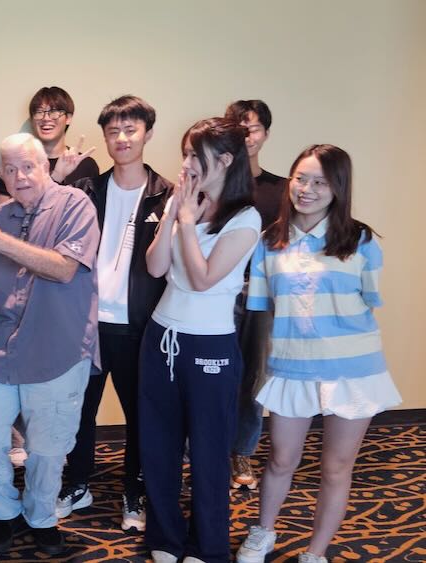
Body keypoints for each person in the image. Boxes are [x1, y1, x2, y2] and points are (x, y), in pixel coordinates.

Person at [235, 145, 401, 563]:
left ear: (338, 187)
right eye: (301, 179)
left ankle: (315, 552)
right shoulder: (269, 242)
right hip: (291, 367)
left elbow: (369, 301)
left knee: (336, 467)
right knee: (280, 459)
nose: (306, 189)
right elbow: (263, 308)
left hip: (352, 371)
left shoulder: (361, 240)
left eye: (320, 182)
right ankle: (263, 533)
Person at [0, 133, 100, 556]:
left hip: (58, 348)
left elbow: (64, 268)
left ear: (45, 167)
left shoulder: (75, 205)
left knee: (47, 451)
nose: (19, 176)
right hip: (1, 348)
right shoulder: (0, 216)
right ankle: (4, 513)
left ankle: (41, 517)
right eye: (10, 169)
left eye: (27, 166)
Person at [140, 118, 261, 563]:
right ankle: (164, 538)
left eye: (195, 155)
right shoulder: (186, 203)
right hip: (161, 337)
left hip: (209, 346)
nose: (186, 163)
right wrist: (173, 213)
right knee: (159, 446)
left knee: (209, 452)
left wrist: (188, 223)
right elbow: (156, 268)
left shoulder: (246, 218)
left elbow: (203, 278)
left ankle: (208, 548)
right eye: (186, 153)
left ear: (225, 160)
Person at [57, 96, 173, 534]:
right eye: (113, 131)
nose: (122, 138)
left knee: (140, 415)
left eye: (131, 129)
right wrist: (58, 178)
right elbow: (43, 225)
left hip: (139, 327)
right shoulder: (87, 190)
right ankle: (78, 483)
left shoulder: (167, 194)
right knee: (79, 411)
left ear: (147, 133)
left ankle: (133, 490)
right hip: (88, 324)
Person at [223, 99, 290, 490]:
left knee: (253, 377)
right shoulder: (217, 183)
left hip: (261, 293)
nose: (246, 136)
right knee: (212, 372)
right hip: (217, 290)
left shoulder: (281, 189)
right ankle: (200, 445)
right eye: (239, 128)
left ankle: (241, 450)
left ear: (265, 133)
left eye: (253, 128)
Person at [0, 86, 99, 197]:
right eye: (39, 112)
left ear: (68, 118)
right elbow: (5, 207)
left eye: (54, 112)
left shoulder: (86, 165)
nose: (46, 118)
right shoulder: (15, 162)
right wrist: (56, 177)